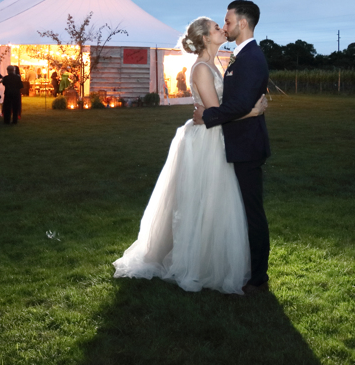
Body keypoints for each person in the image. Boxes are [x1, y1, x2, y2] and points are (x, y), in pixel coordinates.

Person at [113, 16, 267, 295]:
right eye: (216, 28)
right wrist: (253, 111)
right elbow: (213, 113)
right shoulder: (202, 69)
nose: (222, 29)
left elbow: (217, 111)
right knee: (205, 200)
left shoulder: (214, 63)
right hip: (208, 140)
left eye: (224, 25)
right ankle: (200, 263)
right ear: (206, 38)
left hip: (214, 134)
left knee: (214, 201)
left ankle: (213, 256)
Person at [193, 0, 271, 295]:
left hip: (247, 146)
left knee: (251, 211)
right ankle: (244, 267)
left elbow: (237, 105)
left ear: (242, 23)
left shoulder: (251, 57)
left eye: (227, 21)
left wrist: (208, 116)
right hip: (237, 142)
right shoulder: (240, 56)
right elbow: (241, 104)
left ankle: (258, 278)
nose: (224, 27)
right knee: (239, 210)